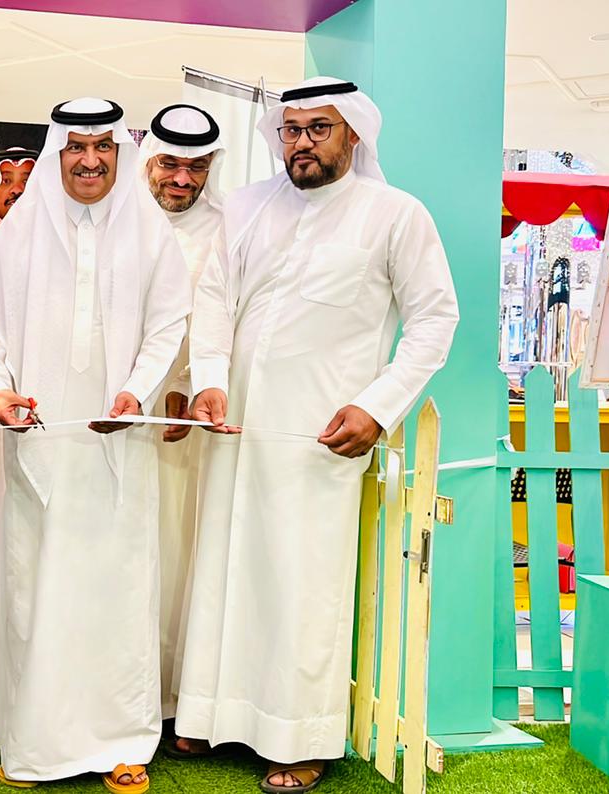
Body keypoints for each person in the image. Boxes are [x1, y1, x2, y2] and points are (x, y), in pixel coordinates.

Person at [174, 76, 460, 793]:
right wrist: (209, 377)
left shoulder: (395, 215)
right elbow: (214, 301)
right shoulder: (246, 207)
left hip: (322, 433)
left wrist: (378, 407)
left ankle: (298, 737)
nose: (301, 143)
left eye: (318, 129)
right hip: (236, 423)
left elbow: (435, 319)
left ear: (353, 134)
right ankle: (210, 713)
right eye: (291, 130)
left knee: (302, 582)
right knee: (224, 567)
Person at [0, 97, 190, 792]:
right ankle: (36, 745)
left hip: (118, 443)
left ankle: (123, 741)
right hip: (41, 441)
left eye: (102, 148)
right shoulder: (21, 231)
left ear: (119, 153)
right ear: (57, 152)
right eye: (75, 148)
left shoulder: (150, 232)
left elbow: (169, 322)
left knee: (117, 589)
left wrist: (139, 391)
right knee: (39, 590)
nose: (89, 161)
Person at [135, 104, 227, 733]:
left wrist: (186, 387)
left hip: (190, 420)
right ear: (149, 160)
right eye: (170, 164)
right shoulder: (119, 224)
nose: (182, 179)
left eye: (197, 168)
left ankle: (176, 698)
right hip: (121, 416)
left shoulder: (227, 229)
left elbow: (226, 322)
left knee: (181, 552)